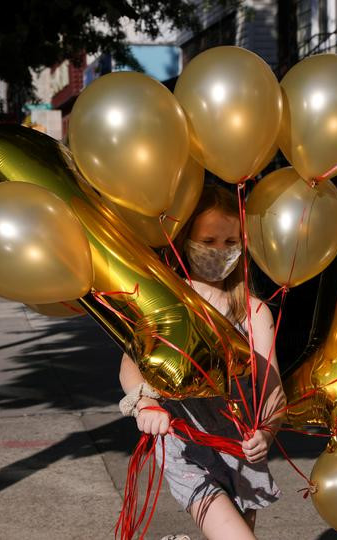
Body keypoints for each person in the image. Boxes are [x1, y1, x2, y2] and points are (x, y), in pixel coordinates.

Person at [118, 183, 286, 540]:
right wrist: (145, 403)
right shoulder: (168, 306)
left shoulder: (254, 313)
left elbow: (273, 391)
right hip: (188, 449)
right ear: (185, 241)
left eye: (230, 241)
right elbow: (131, 365)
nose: (220, 251)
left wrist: (267, 432)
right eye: (208, 241)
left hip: (241, 452)